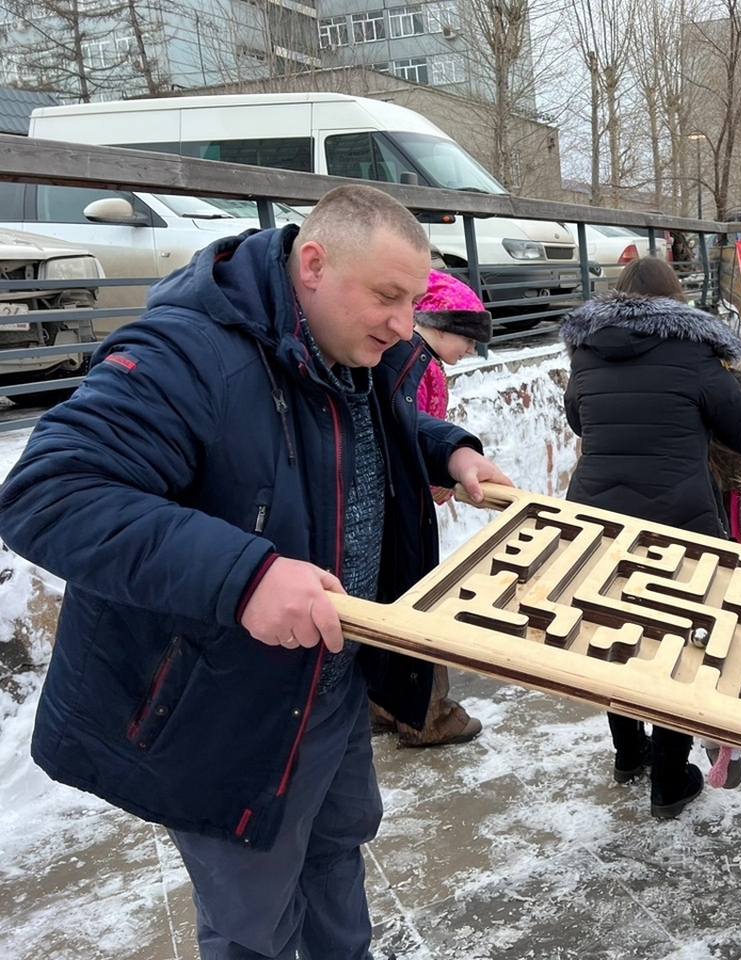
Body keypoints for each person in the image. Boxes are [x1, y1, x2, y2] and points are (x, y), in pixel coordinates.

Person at [0, 183, 512, 960]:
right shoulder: (186, 354)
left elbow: (370, 420)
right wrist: (245, 575)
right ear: (312, 263)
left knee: (338, 857)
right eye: (386, 296)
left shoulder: (340, 344)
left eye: (414, 301)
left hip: (333, 676)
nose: (404, 325)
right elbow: (49, 493)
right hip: (224, 708)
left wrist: (448, 448)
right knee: (253, 926)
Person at [559, 257, 741, 819]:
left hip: (595, 518)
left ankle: (628, 754)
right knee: (678, 642)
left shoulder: (585, 351)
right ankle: (668, 779)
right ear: (676, 302)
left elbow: (579, 421)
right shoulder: (694, 350)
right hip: (679, 520)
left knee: (612, 634)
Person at [366, 269, 493, 749]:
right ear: (437, 325)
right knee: (419, 602)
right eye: (467, 339)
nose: (470, 351)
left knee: (385, 605)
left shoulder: (401, 357)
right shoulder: (415, 364)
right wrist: (432, 473)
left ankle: (383, 705)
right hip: (398, 509)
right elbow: (403, 432)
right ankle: (428, 717)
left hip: (381, 510)